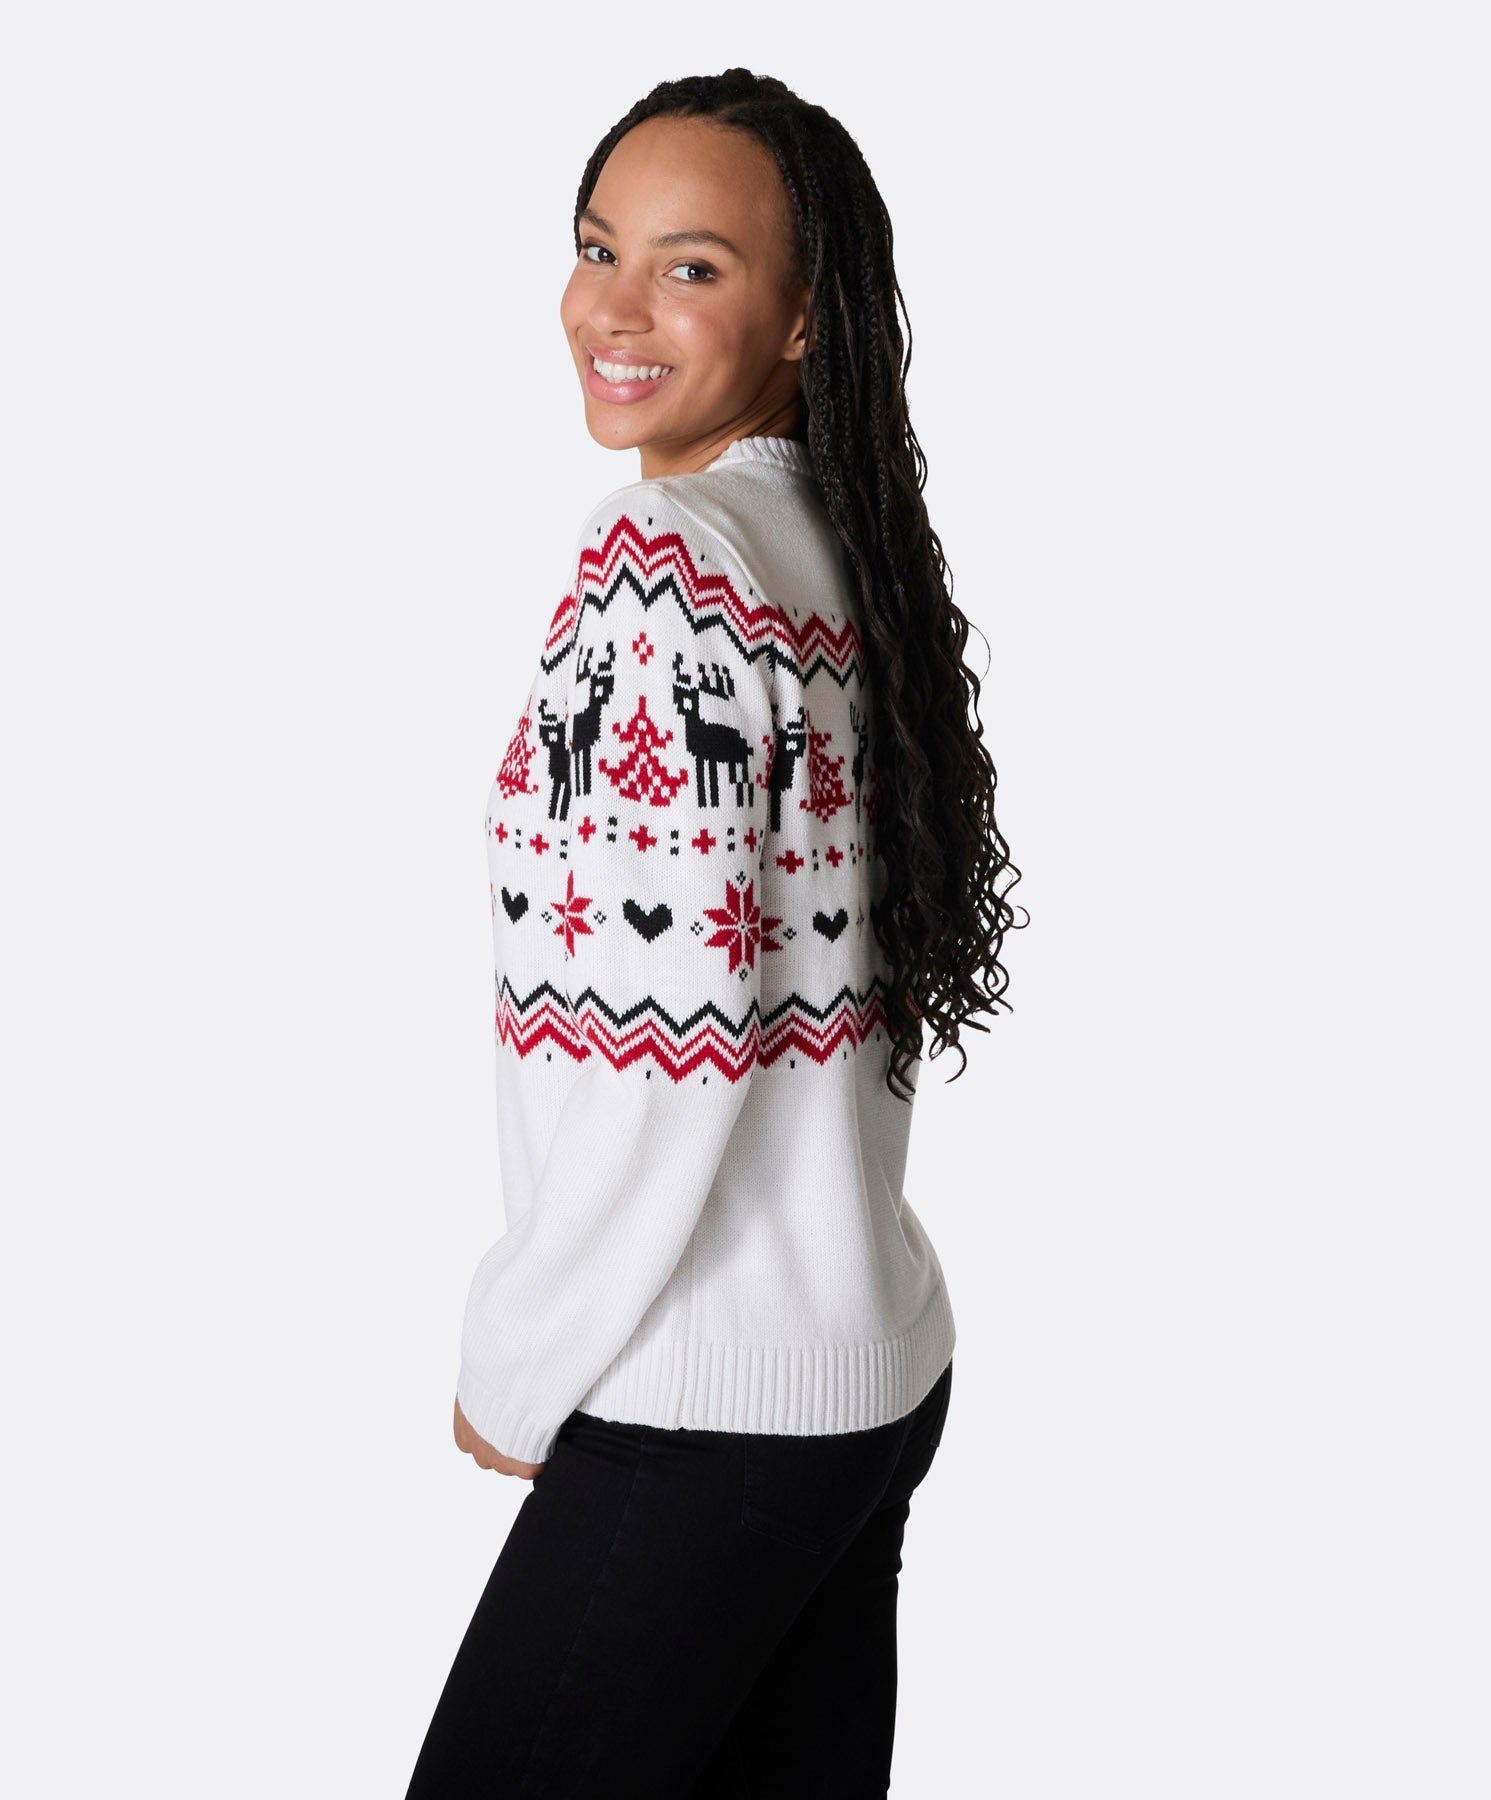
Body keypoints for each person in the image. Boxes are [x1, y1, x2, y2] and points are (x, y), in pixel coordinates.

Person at [405, 68, 1024, 1799]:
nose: (612, 308)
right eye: (599, 247)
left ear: (806, 316)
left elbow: (650, 1047)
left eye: (692, 268)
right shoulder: (835, 547)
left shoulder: (669, 567)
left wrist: (520, 1358)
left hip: (700, 1410)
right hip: (863, 1383)